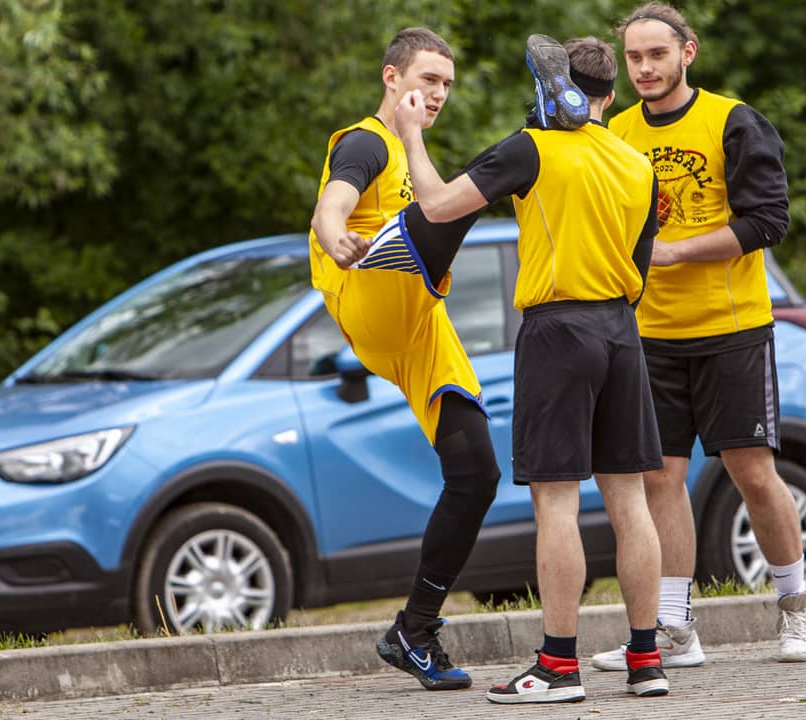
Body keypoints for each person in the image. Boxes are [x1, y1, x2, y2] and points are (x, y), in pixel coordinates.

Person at [394, 34, 670, 704]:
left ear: (555, 89)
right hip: (622, 331)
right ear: (611, 96)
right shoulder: (639, 166)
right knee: (631, 500)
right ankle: (646, 659)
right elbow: (639, 268)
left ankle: (557, 667)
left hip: (558, 330)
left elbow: (436, 206)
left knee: (556, 501)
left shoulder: (531, 147)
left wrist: (411, 135)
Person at [589, 2, 806, 670]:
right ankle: (675, 630)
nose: (645, 68)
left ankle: (797, 609)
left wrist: (675, 252)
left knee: (753, 473)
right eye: (634, 57)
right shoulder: (613, 132)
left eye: (657, 54)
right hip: (649, 336)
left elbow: (769, 221)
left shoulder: (732, 121)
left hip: (731, 329)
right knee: (660, 479)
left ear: (687, 52)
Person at [308, 27, 502, 691]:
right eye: (428, 80)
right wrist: (335, 235)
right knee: (450, 205)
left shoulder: (412, 152)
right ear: (392, 78)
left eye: (447, 84)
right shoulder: (367, 142)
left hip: (421, 324)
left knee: (477, 474)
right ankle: (541, 136)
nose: (439, 93)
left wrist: (416, 141)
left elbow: (434, 200)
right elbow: (332, 203)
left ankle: (413, 631)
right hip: (369, 292)